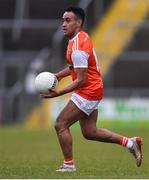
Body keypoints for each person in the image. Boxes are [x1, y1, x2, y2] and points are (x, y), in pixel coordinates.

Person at [40, 7, 142, 172]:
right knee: (90, 132)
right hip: (93, 88)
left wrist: (58, 93)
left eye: (68, 20)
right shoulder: (77, 38)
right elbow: (75, 67)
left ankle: (69, 165)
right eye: (63, 20)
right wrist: (59, 75)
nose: (63, 24)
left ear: (78, 23)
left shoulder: (78, 46)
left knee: (61, 124)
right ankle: (130, 143)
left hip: (88, 91)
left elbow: (81, 80)